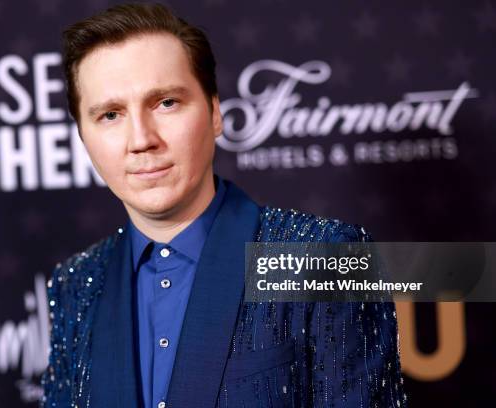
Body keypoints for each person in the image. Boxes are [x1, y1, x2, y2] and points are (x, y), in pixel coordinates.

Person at [41, 3, 406, 407]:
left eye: (166, 103)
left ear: (215, 113)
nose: (141, 139)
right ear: (83, 136)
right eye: (110, 115)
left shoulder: (324, 256)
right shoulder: (76, 284)